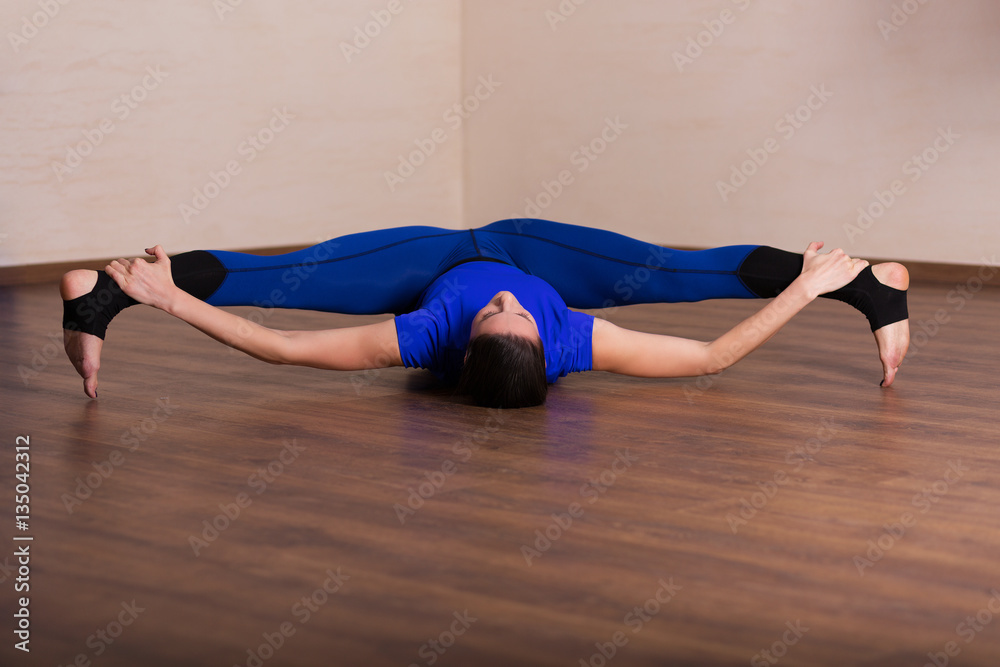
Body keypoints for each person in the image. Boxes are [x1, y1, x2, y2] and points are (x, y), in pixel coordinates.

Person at [60, 219, 910, 407]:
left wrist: (167, 298)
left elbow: (279, 348)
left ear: (462, 352)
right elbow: (711, 357)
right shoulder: (574, 336)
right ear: (547, 344)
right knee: (682, 275)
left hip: (425, 265)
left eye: (491, 314)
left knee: (282, 277)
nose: (502, 301)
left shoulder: (426, 333)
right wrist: (811, 289)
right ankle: (875, 285)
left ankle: (103, 294)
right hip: (541, 251)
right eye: (517, 315)